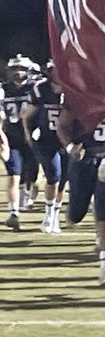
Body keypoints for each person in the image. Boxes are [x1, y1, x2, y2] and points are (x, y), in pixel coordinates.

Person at [58, 109, 105, 286]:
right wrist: (71, 147)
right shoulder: (78, 97)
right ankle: (72, 212)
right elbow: (61, 126)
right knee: (76, 214)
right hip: (83, 159)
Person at [22, 61, 68, 234]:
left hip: (66, 140)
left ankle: (55, 215)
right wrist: (28, 134)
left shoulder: (73, 88)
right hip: (46, 140)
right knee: (53, 176)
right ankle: (48, 215)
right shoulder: (41, 89)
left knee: (63, 180)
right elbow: (27, 115)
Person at [2, 55, 36, 230]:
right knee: (13, 175)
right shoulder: (3, 90)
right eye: (15, 69)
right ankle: (14, 212)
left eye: (21, 69)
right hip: (11, 138)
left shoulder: (35, 89)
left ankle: (29, 189)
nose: (18, 72)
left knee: (32, 173)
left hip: (33, 138)